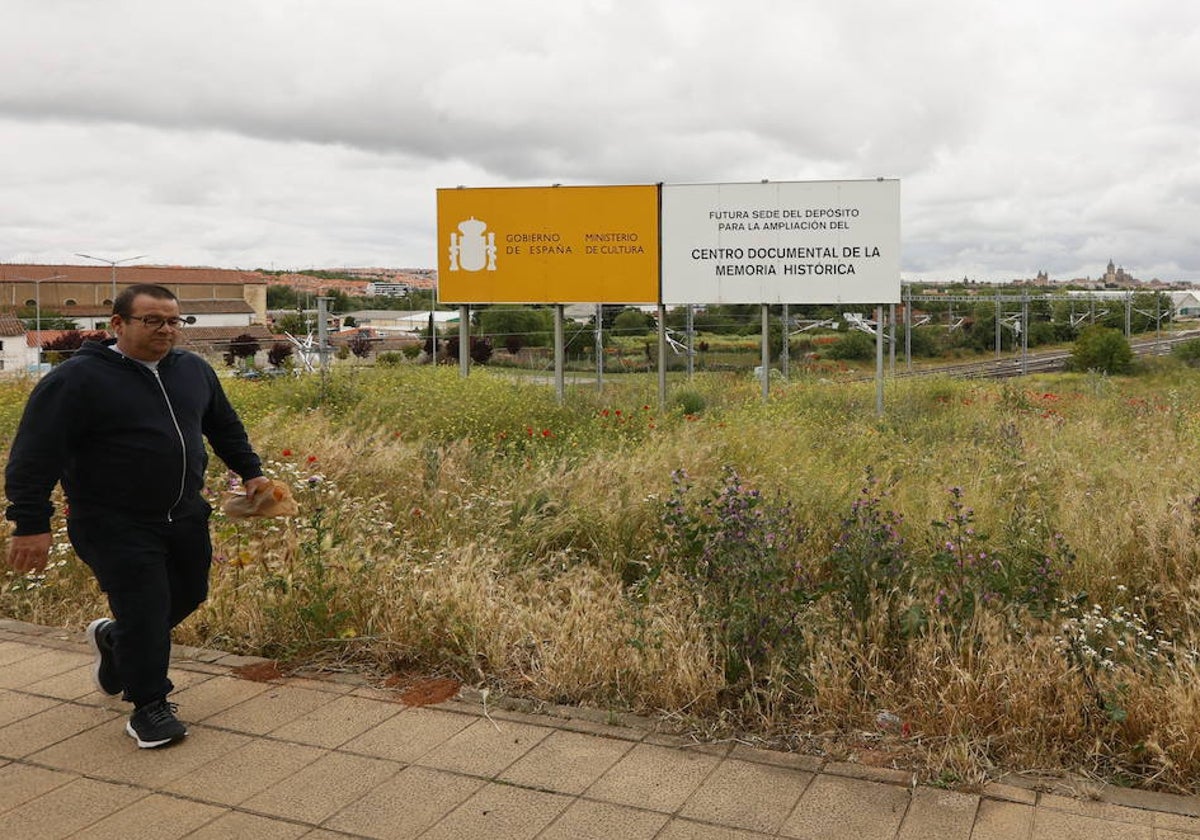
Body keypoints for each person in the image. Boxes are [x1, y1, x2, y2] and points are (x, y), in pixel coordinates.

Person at [4, 283, 269, 749]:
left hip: (185, 513)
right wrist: (30, 523)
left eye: (173, 320)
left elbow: (222, 425)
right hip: (112, 521)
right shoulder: (76, 381)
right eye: (152, 320)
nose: (166, 330)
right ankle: (149, 706)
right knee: (147, 610)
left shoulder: (192, 370)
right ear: (118, 324)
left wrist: (251, 472)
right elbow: (33, 456)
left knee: (190, 592)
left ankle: (114, 640)